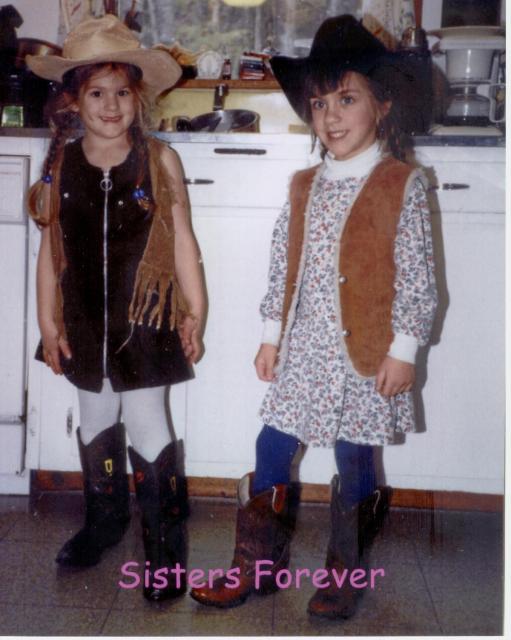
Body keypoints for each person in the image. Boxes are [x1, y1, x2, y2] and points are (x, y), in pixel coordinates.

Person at [190, 15, 437, 619]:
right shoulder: (304, 185)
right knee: (271, 445)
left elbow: (419, 277)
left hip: (368, 352)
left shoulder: (403, 184)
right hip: (304, 349)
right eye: (320, 102)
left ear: (382, 104)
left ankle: (344, 572)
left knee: (355, 457)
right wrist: (271, 337)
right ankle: (257, 566)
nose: (330, 115)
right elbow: (284, 268)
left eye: (346, 98)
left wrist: (405, 348)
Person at [26, 15, 206, 602]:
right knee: (97, 422)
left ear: (138, 98)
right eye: (96, 93)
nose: (110, 105)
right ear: (74, 100)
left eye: (122, 92)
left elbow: (183, 241)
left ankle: (164, 545)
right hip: (83, 324)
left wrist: (194, 312)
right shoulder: (60, 166)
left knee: (151, 425)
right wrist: (48, 323)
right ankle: (105, 519)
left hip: (146, 325)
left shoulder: (159, 161)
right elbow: (50, 253)